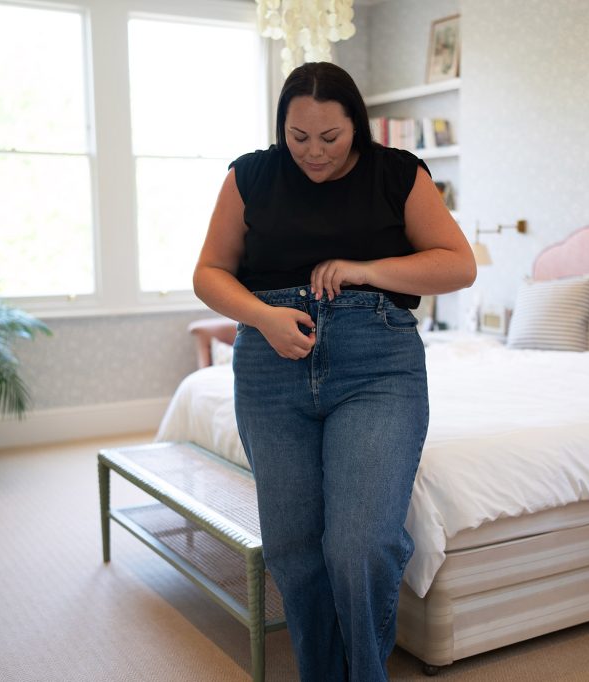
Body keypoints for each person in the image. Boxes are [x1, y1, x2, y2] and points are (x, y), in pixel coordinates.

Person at [193, 61, 476, 681]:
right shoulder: (251, 176)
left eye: (330, 138)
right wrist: (263, 316)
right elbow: (209, 272)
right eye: (299, 138)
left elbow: (458, 265)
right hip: (271, 368)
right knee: (295, 549)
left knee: (361, 545)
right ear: (281, 128)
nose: (313, 153)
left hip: (376, 367)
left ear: (358, 126)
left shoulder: (397, 173)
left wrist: (367, 269)